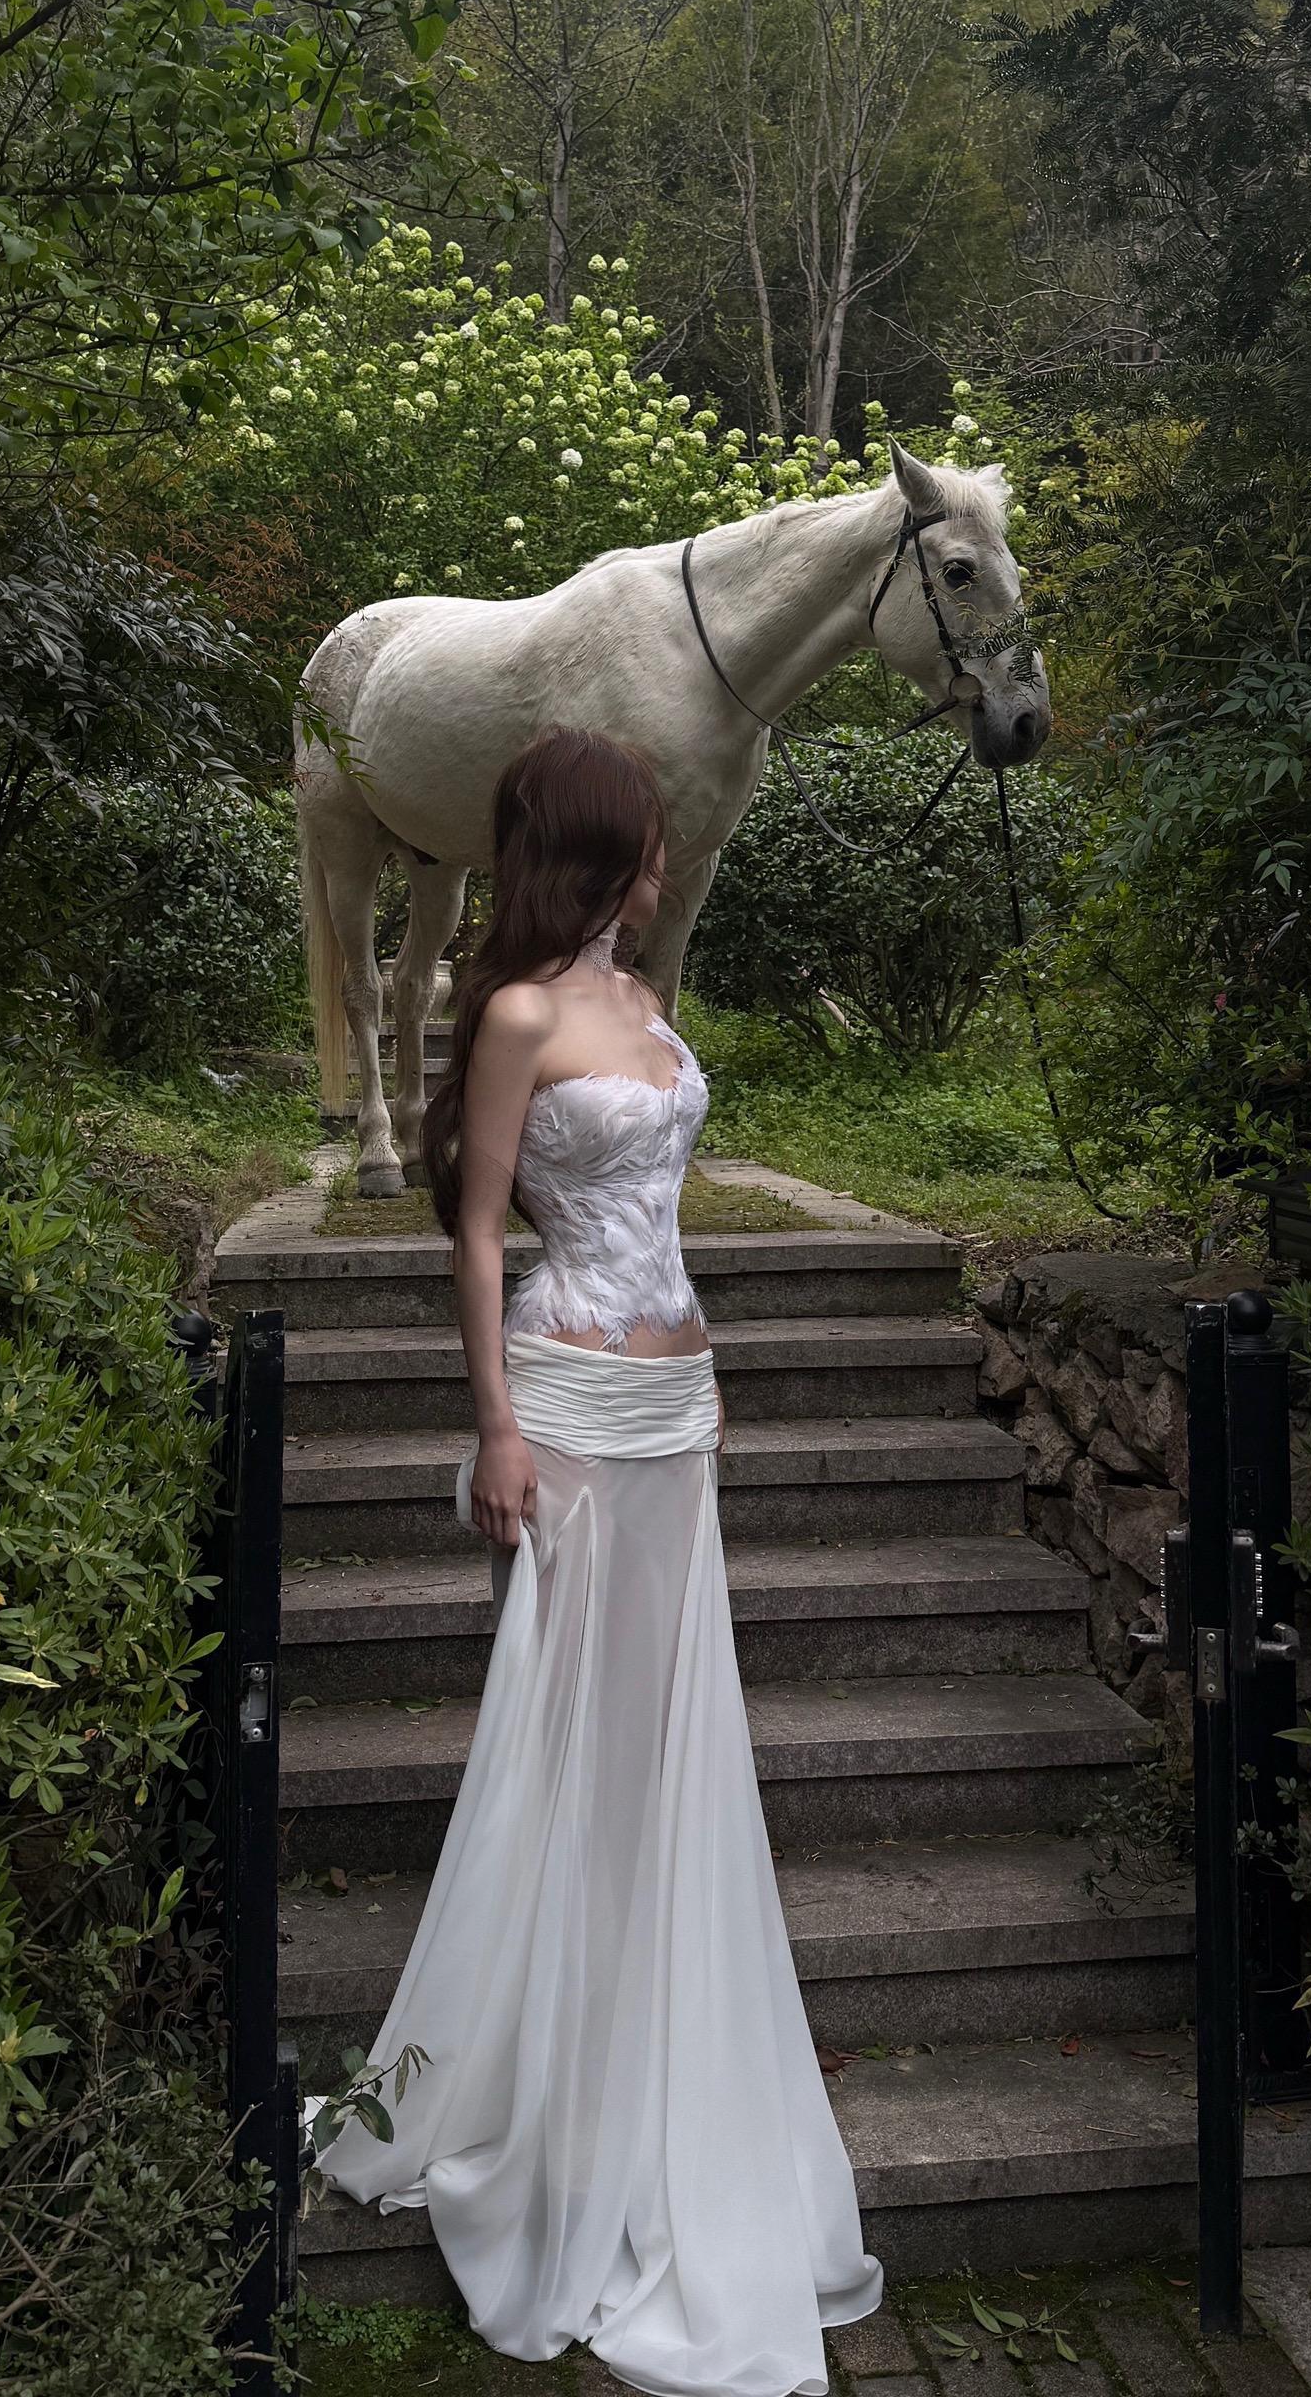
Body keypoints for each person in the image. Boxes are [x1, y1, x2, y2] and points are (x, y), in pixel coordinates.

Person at [308, 726, 882, 2397]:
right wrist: (494, 1426)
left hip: (674, 1406)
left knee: (661, 1755)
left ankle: (649, 2049)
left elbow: (665, 1210)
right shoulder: (516, 1016)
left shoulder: (642, 999)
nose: (668, 858)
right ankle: (555, 2095)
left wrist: (707, 1388)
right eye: (650, 838)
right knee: (566, 1754)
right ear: (597, 850)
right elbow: (480, 1226)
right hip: (562, 1403)